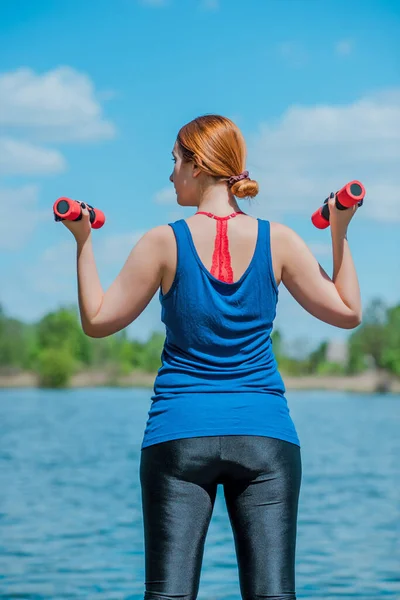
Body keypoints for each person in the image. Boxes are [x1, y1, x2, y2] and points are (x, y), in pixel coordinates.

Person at [61, 114, 362, 600]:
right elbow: (348, 313)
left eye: (175, 162)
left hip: (178, 437)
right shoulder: (280, 240)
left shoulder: (162, 241)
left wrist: (83, 242)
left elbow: (97, 321)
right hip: (265, 439)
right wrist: (339, 232)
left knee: (168, 596)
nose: (171, 174)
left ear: (198, 166)